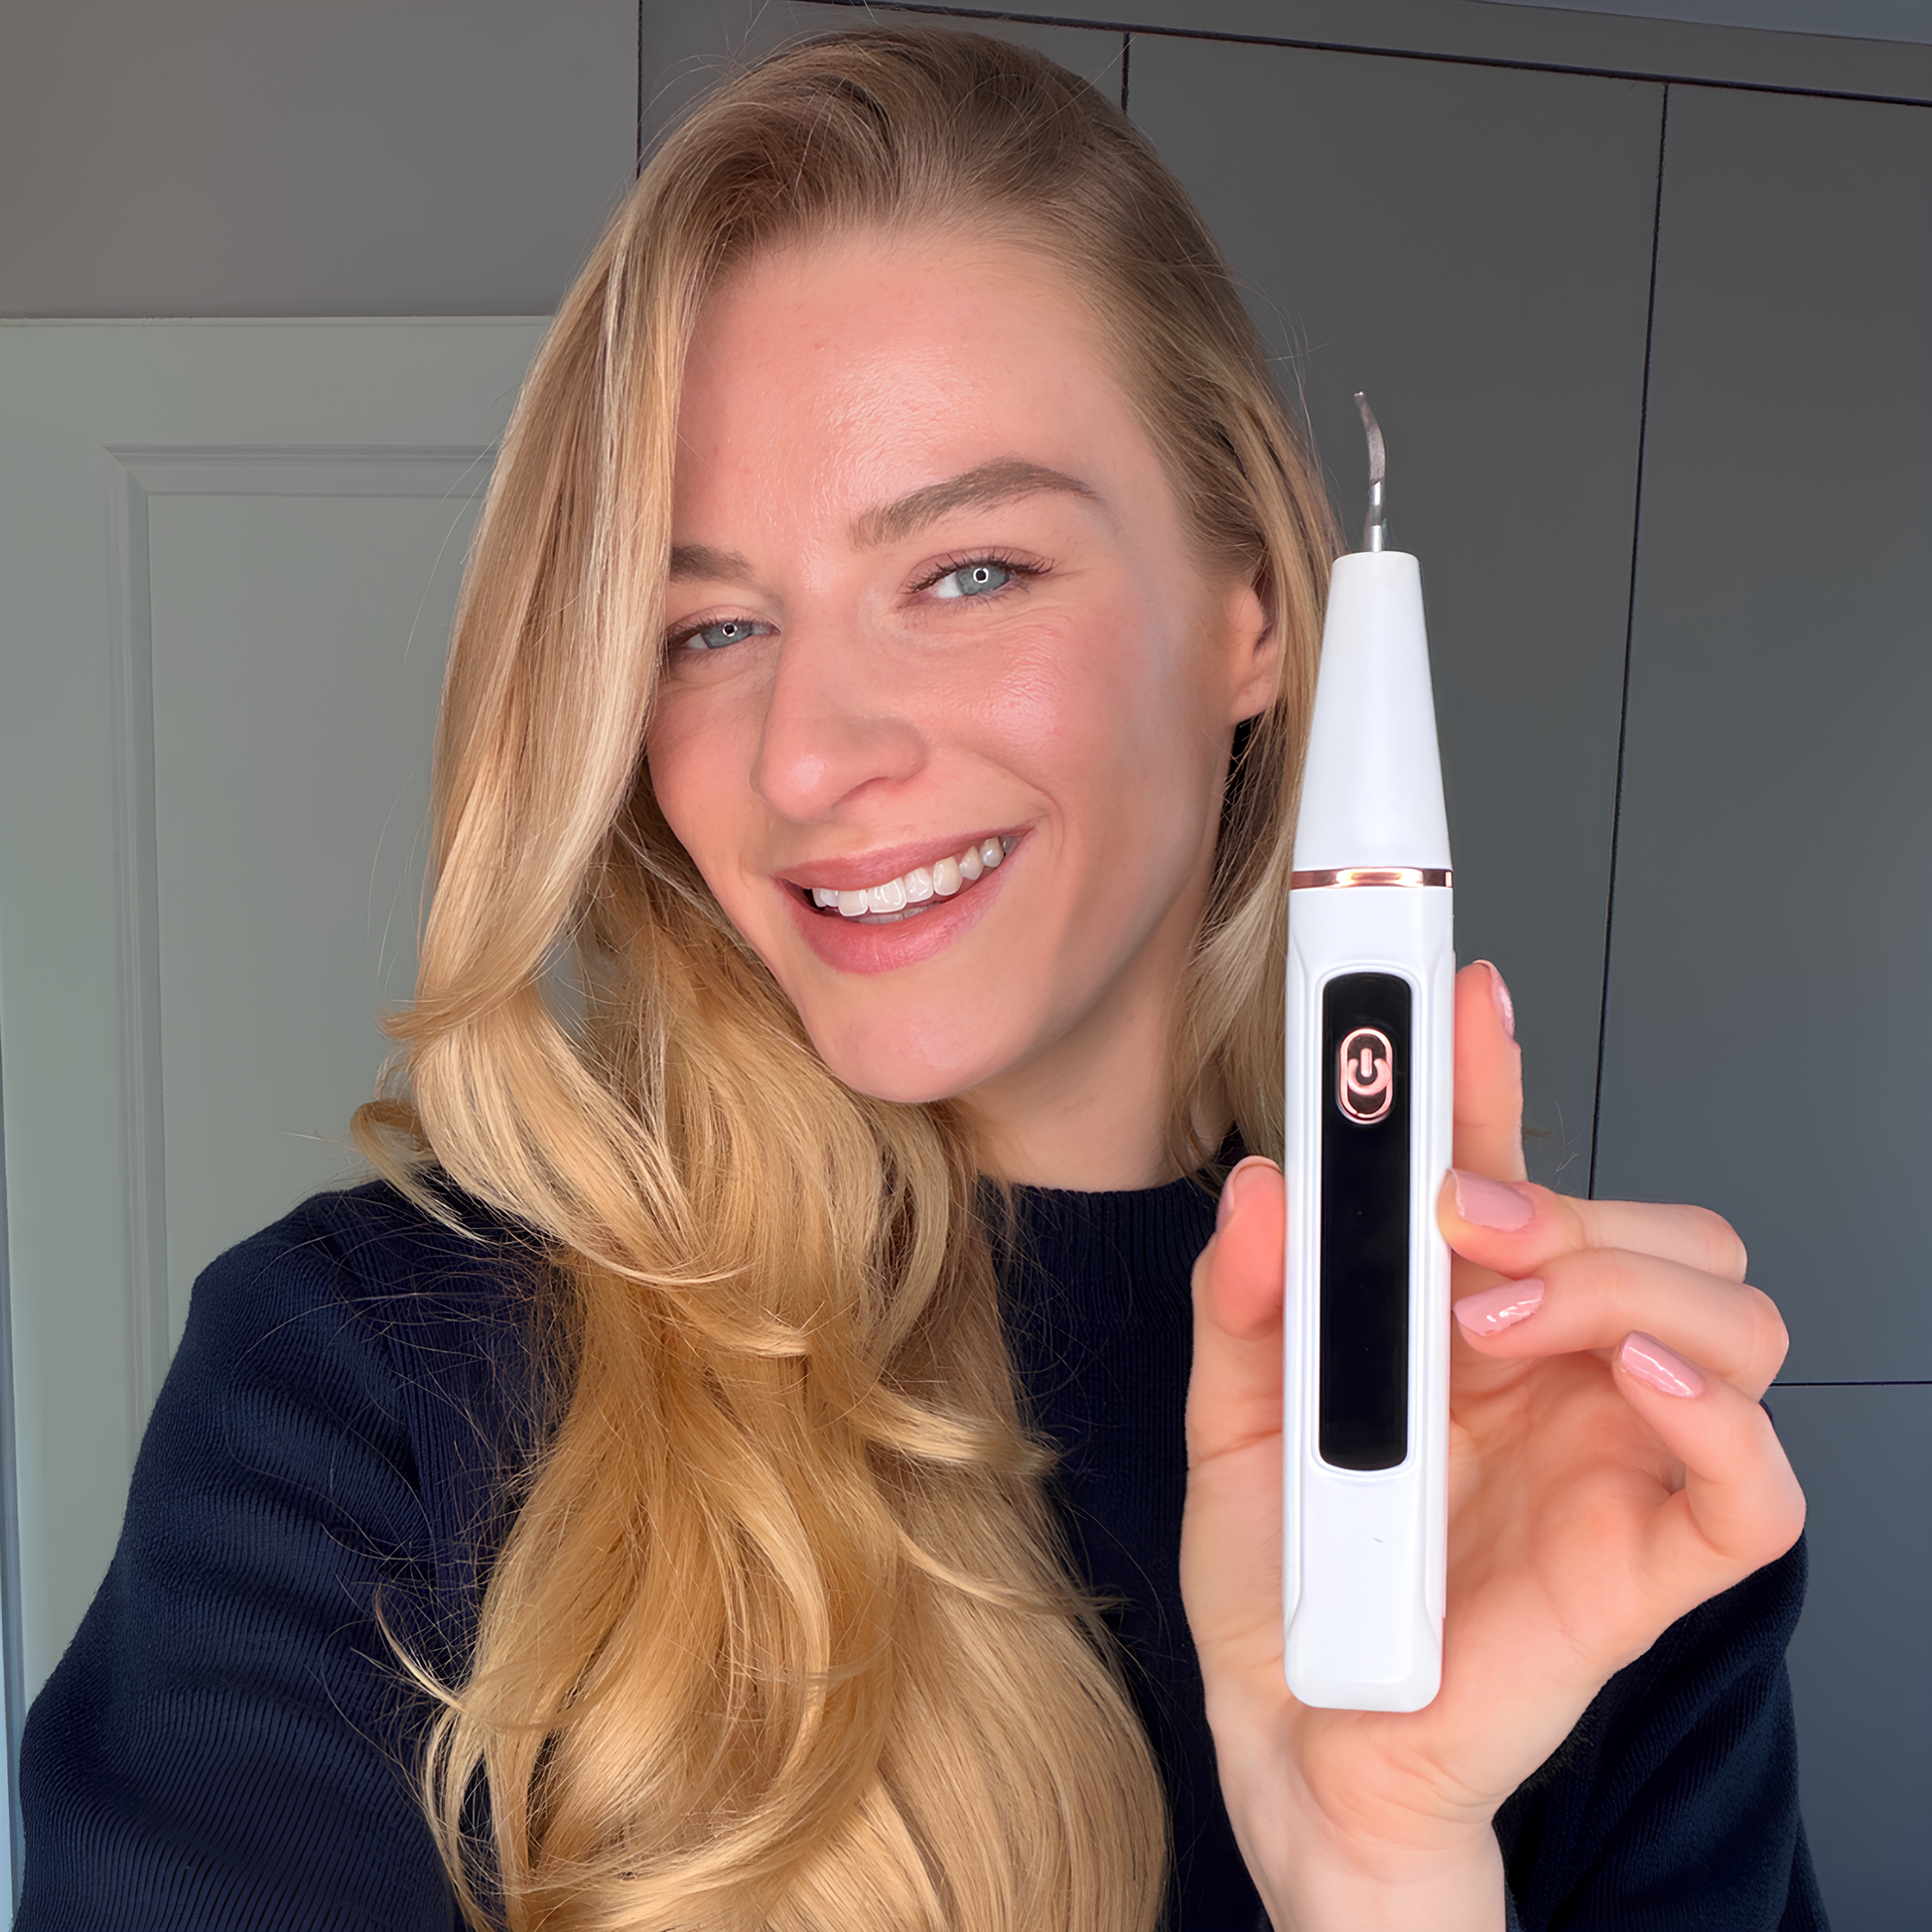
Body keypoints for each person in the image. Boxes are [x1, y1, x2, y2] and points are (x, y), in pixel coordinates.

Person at [17, 28, 1821, 1932]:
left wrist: (1385, 1876)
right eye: (709, 624)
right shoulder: (365, 1394)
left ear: (1249, 614)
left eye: (967, 573)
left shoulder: (1550, 1477)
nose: (805, 757)